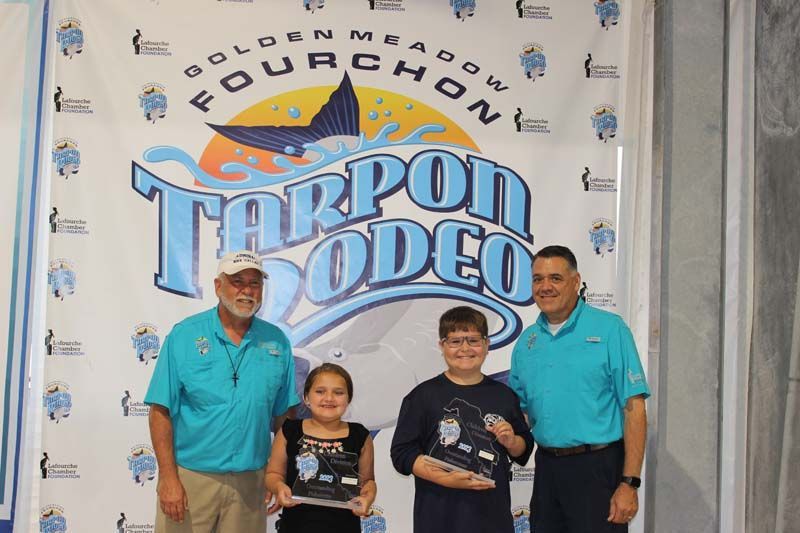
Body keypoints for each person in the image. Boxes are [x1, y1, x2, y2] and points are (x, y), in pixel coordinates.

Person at [145, 250, 299, 533]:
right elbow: (160, 411)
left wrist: (278, 475)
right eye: (237, 281)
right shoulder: (185, 335)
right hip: (191, 479)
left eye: (255, 283)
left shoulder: (276, 342)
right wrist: (168, 478)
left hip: (251, 483)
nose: (247, 290)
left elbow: (284, 419)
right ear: (218, 286)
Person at [509, 245, 649, 533]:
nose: (545, 286)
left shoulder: (611, 329)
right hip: (547, 469)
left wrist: (629, 483)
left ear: (576, 282)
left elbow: (634, 409)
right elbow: (519, 415)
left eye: (555, 278)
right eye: (538, 279)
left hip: (598, 469)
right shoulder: (527, 342)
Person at [390, 306, 534, 533]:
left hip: (491, 516)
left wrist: (511, 441)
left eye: (473, 340)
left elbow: (523, 448)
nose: (465, 348)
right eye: (455, 341)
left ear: (487, 345)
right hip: (438, 515)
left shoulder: (503, 396)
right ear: (442, 346)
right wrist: (446, 479)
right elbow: (402, 454)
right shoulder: (422, 396)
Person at [265, 363, 376, 532]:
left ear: (348, 398)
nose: (329, 398)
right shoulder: (289, 431)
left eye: (338, 392)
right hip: (296, 525)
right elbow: (273, 474)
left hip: (344, 526)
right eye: (320, 391)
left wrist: (368, 496)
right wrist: (279, 487)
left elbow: (368, 482)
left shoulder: (360, 435)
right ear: (306, 397)